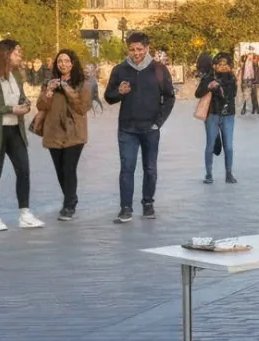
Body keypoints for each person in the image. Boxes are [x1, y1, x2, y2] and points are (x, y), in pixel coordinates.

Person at [104, 32, 176, 223]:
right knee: (126, 168)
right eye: (132, 49)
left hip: (150, 129)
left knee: (150, 168)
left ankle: (148, 203)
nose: (136, 53)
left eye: (139, 49)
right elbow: (108, 97)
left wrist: (158, 122)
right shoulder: (120, 69)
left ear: (147, 48)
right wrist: (119, 92)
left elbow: (169, 97)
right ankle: (126, 208)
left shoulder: (159, 70)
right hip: (127, 128)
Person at [0, 39, 44, 231]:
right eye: (17, 52)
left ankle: (25, 213)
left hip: (15, 131)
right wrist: (10, 109)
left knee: (24, 171)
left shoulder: (16, 75)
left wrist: (25, 104)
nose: (20, 55)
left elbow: (20, 96)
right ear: (5, 53)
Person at [36, 49, 91, 221]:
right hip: (53, 132)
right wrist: (49, 92)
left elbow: (82, 108)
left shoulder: (83, 83)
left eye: (67, 61)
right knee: (60, 171)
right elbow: (40, 105)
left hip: (74, 133)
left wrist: (67, 89)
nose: (63, 64)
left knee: (69, 168)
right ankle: (71, 197)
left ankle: (68, 205)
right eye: (60, 61)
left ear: (73, 64)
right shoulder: (49, 82)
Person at [195, 52, 238, 184]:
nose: (223, 67)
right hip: (212, 114)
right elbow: (198, 93)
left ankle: (229, 173)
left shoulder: (232, 78)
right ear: (214, 65)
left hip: (228, 115)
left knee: (229, 146)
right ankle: (209, 174)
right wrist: (209, 86)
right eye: (220, 64)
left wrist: (221, 87)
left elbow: (232, 94)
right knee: (210, 145)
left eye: (226, 64)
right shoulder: (209, 77)